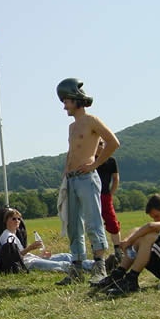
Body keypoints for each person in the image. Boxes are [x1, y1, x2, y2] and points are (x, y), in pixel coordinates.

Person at [55, 78, 120, 286]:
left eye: (65, 100)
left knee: (93, 222)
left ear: (75, 99)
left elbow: (113, 142)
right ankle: (77, 266)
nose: (64, 105)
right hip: (72, 180)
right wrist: (65, 172)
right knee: (74, 225)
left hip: (87, 179)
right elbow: (71, 152)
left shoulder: (91, 120)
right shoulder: (71, 127)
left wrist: (95, 164)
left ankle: (99, 265)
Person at [97, 194, 160, 295]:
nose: (156, 220)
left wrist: (129, 241)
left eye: (157, 216)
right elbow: (137, 230)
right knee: (140, 235)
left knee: (148, 238)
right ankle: (117, 275)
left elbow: (151, 226)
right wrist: (129, 240)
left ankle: (131, 279)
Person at [0, 208, 93, 273]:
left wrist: (40, 256)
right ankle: (92, 267)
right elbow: (14, 257)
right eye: (13, 219)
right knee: (62, 264)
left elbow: (24, 254)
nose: (17, 221)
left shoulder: (15, 235)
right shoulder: (6, 236)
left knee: (66, 256)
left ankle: (95, 264)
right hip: (28, 264)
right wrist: (30, 248)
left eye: (19, 219)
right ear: (6, 221)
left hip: (33, 258)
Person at [95, 139, 123, 262]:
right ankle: (97, 251)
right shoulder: (89, 160)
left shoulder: (111, 160)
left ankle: (118, 250)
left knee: (112, 221)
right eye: (96, 144)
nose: (99, 146)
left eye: (101, 143)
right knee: (94, 223)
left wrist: (110, 193)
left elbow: (116, 178)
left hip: (105, 195)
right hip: (92, 195)